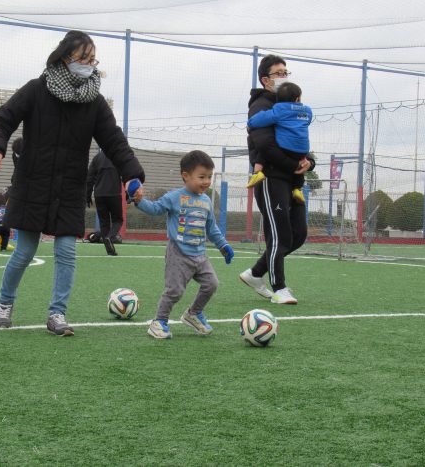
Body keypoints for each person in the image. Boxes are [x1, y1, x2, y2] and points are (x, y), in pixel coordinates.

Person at [0, 30, 145, 337]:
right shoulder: (36, 90)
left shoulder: (94, 102)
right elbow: (3, 119)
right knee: (24, 251)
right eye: (83, 57)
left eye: (92, 58)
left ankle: (57, 313)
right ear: (64, 57)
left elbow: (114, 141)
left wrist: (132, 173)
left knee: (67, 251)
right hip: (34, 184)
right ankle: (5, 304)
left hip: (70, 186)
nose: (89, 64)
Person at [131, 150, 234, 339]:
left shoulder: (206, 202)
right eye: (201, 176)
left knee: (211, 284)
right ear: (185, 176)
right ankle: (159, 322)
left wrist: (223, 246)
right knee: (175, 291)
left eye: (209, 177)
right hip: (178, 254)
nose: (206, 181)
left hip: (200, 255)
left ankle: (193, 313)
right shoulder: (174, 197)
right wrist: (139, 201)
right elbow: (155, 209)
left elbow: (212, 229)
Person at [239, 55, 315, 305]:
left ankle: (255, 273)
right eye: (278, 73)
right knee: (279, 235)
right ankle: (280, 288)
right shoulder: (260, 106)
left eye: (285, 72)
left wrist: (309, 163)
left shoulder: (293, 107)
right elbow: (265, 144)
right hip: (271, 178)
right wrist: (294, 165)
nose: (283, 76)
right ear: (265, 80)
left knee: (298, 235)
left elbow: (298, 139)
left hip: (293, 180)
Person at [246, 81, 313, 205]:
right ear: (298, 98)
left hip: (285, 147)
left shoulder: (279, 109)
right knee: (300, 166)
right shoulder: (307, 111)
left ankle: (257, 173)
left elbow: (263, 118)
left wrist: (250, 124)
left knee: (266, 145)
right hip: (302, 150)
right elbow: (306, 122)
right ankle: (297, 189)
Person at [86, 150, 124, 256]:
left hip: (99, 195)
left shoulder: (97, 158)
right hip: (114, 194)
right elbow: (125, 175)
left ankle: (110, 250)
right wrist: (128, 194)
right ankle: (110, 237)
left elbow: (90, 178)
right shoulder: (117, 157)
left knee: (104, 222)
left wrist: (87, 195)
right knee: (118, 220)